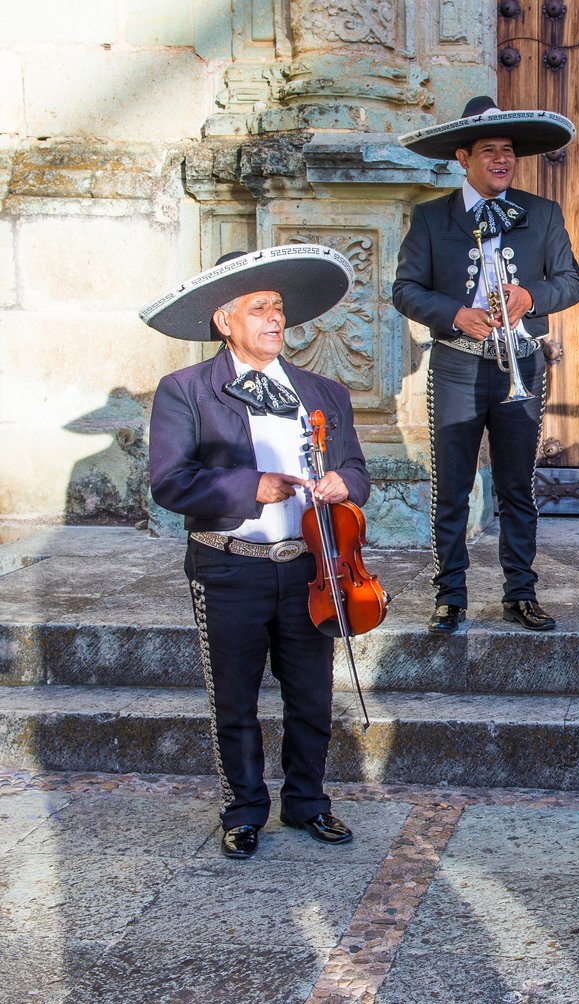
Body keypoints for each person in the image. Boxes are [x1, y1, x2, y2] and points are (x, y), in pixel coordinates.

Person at [143, 245, 369, 860]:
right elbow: (169, 481)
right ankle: (243, 809)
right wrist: (253, 487)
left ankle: (308, 802)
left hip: (309, 565)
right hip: (227, 562)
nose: (275, 318)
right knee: (235, 697)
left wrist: (343, 483)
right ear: (226, 321)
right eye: (258, 307)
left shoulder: (323, 391)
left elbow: (356, 469)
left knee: (312, 694)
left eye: (279, 307)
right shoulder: (184, 390)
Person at [394, 95, 579, 635]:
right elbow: (404, 290)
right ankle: (450, 595)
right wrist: (454, 313)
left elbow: (573, 281)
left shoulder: (542, 212)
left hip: (520, 361)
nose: (502, 160)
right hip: (456, 364)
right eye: (489, 151)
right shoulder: (432, 217)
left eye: (508, 151)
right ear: (463, 157)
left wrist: (532, 296)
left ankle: (520, 592)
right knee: (452, 484)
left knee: (517, 484)